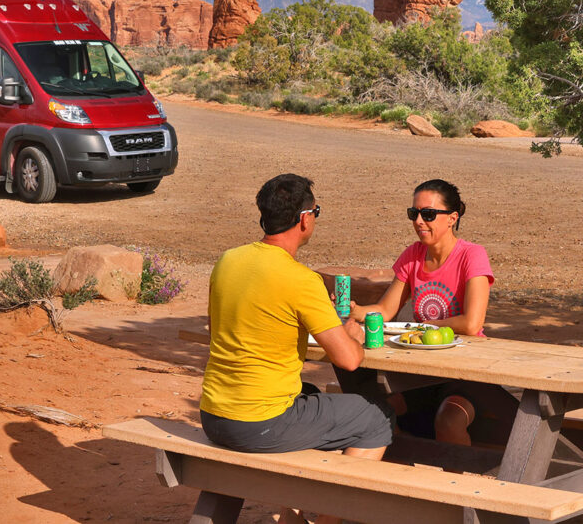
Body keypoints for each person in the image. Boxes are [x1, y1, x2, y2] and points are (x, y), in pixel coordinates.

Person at [201, 173, 392, 524]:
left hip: (214, 415)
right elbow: (349, 360)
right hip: (257, 424)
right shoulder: (302, 280)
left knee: (311, 394)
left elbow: (221, 332)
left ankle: (291, 512)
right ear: (305, 218)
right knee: (374, 418)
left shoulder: (228, 261)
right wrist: (352, 333)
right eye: (316, 212)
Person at [344, 178, 511, 446]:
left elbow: (471, 324)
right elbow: (386, 310)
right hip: (423, 371)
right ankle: (401, 477)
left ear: (452, 218)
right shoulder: (413, 255)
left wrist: (425, 328)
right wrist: (356, 311)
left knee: (448, 420)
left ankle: (457, 484)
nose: (419, 221)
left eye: (429, 214)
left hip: (467, 371)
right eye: (414, 213)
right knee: (377, 412)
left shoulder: (472, 255)